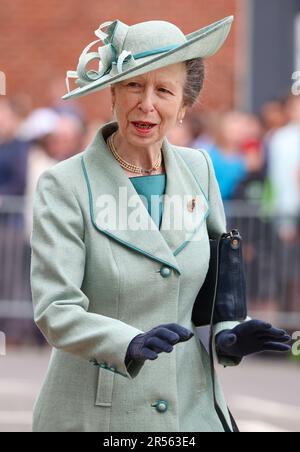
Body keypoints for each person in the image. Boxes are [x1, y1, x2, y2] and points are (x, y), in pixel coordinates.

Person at [30, 17, 291, 433]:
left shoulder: (200, 168)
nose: (146, 103)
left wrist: (228, 334)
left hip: (193, 407)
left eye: (164, 90)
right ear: (112, 93)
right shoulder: (63, 184)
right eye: (134, 85)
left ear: (184, 107)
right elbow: (55, 308)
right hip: (100, 413)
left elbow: (216, 279)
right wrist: (126, 342)